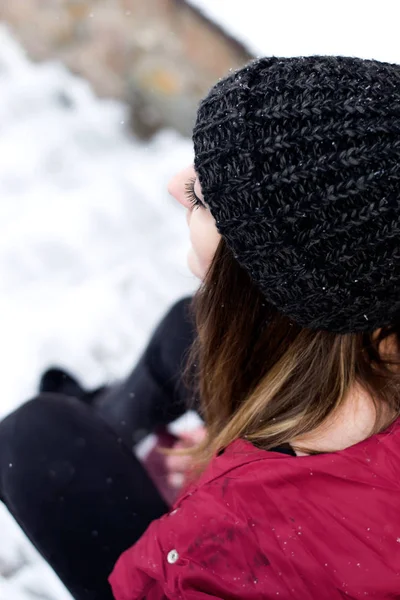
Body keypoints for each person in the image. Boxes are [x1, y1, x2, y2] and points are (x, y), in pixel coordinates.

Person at [1, 54, 400, 599]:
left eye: (206, 197)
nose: (175, 185)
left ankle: (87, 438)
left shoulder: (218, 551)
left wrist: (226, 474)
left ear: (269, 277)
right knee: (184, 331)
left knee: (35, 443)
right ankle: (105, 424)